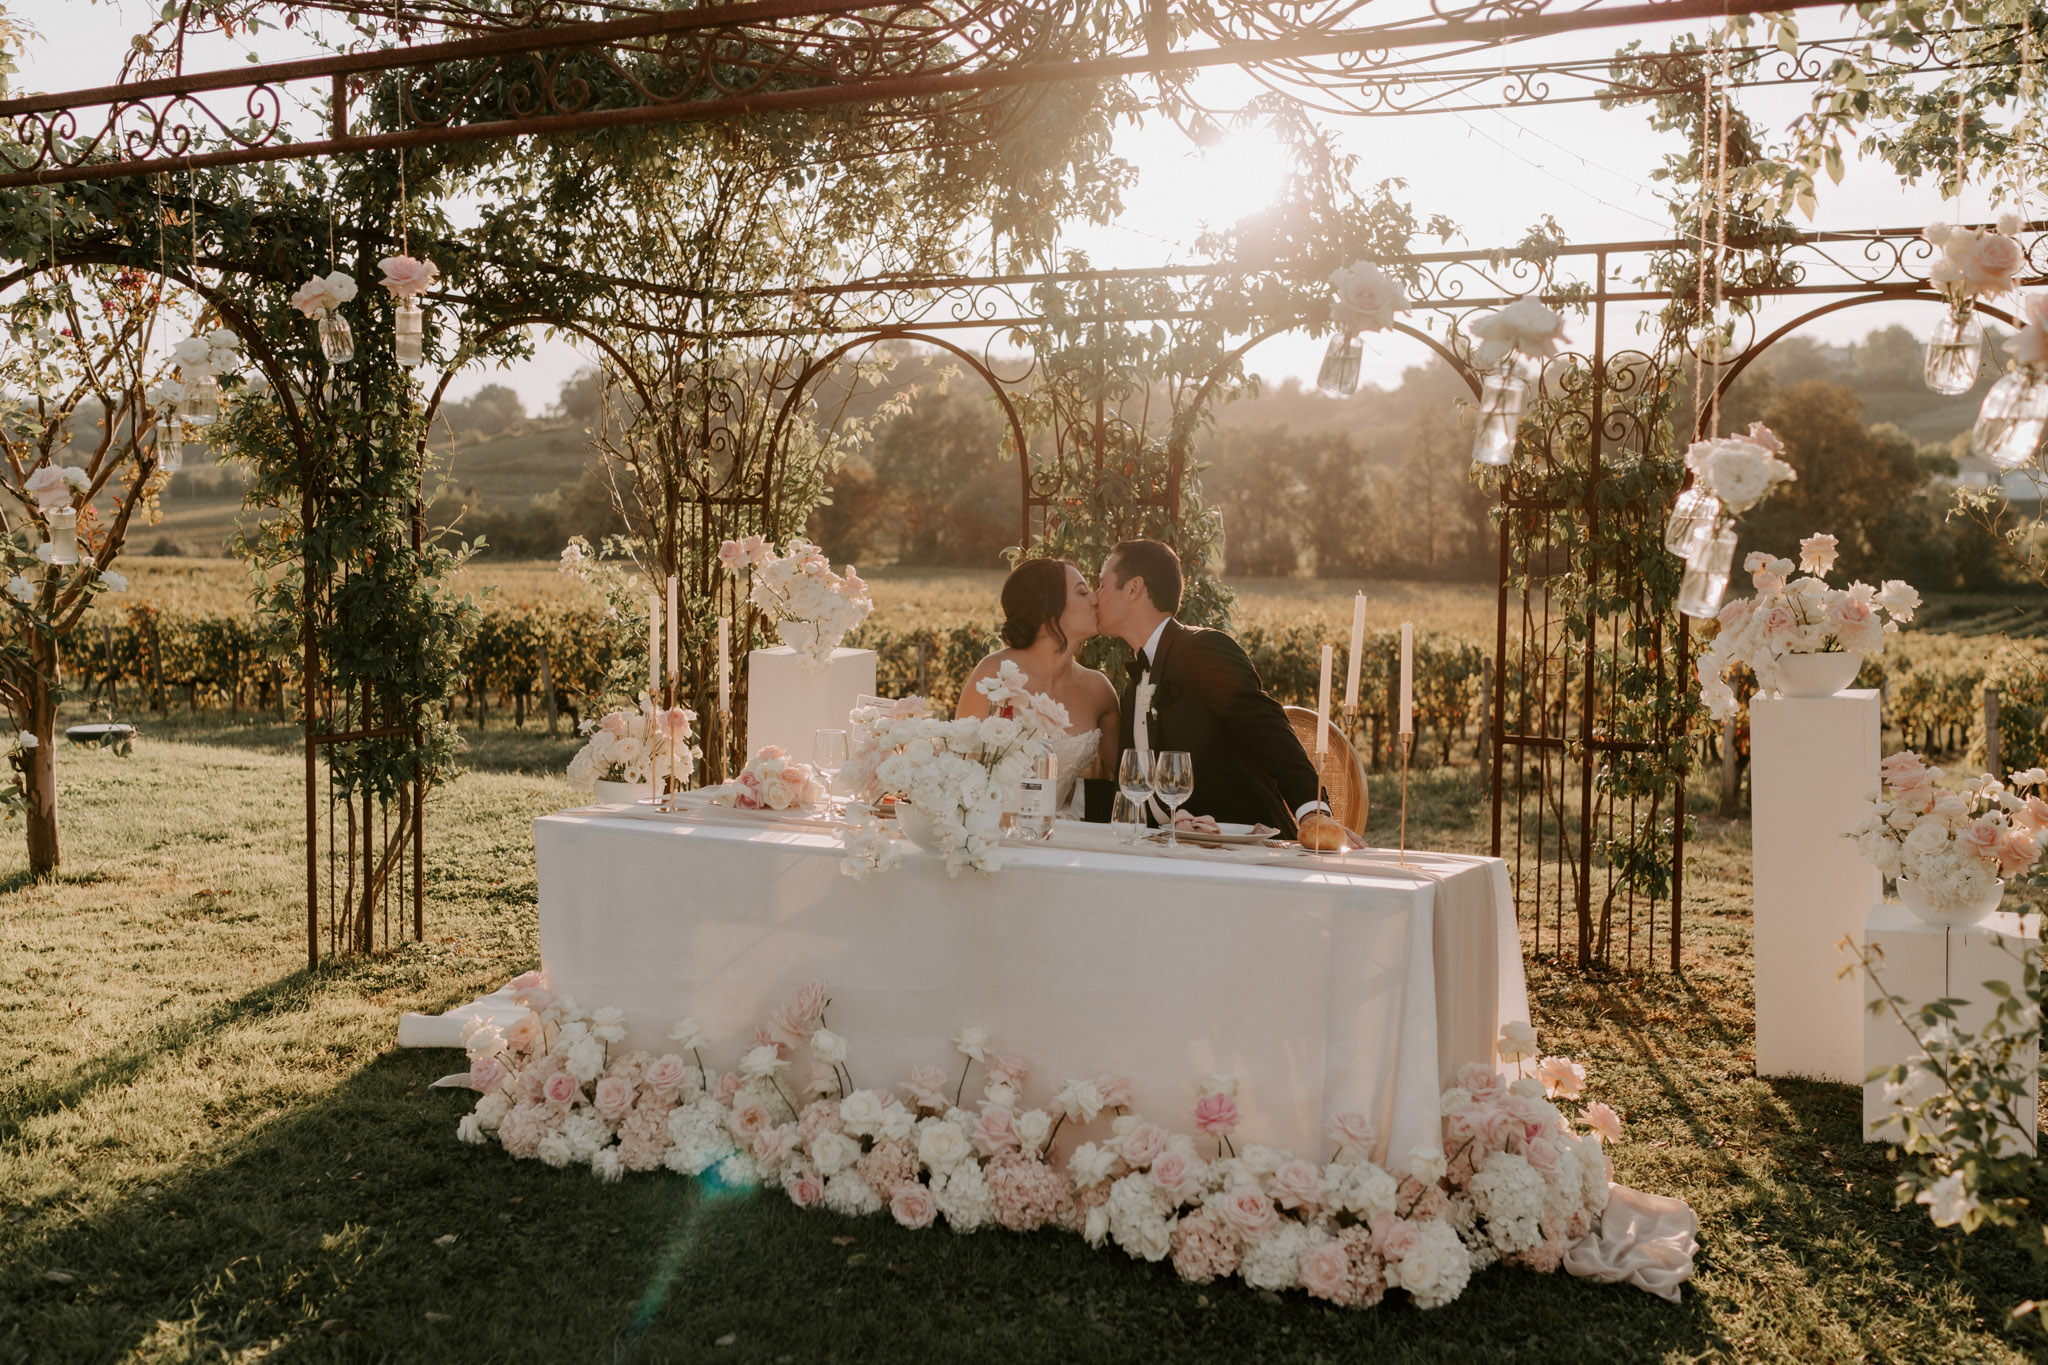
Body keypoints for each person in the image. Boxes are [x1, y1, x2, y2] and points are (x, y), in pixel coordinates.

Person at [1094, 538, 1349, 852]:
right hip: (1169, 852)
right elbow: (1134, 790)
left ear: (1133, 589)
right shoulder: (1132, 689)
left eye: (1102, 585)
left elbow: (1268, 730)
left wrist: (1313, 811)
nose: (1096, 597)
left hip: (1244, 847)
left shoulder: (1203, 649)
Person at [956, 558, 1121, 809]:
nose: (1095, 599)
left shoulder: (1098, 690)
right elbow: (957, 767)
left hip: (1063, 834)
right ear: (1047, 610)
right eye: (1082, 592)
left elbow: (1128, 779)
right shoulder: (993, 674)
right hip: (992, 832)